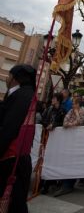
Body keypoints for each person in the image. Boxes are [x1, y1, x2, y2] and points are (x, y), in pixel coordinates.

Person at [0, 64, 37, 213]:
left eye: (9, 75)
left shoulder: (21, 95)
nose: (6, 78)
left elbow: (9, 127)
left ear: (15, 78)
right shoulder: (24, 94)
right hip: (18, 156)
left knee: (14, 202)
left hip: (11, 158)